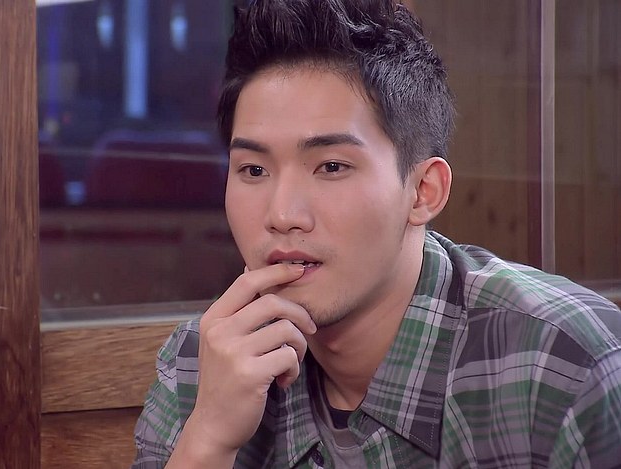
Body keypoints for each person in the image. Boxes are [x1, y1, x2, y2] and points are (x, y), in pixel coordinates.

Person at [131, 0, 621, 467]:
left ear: (423, 191)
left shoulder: (568, 367)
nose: (281, 215)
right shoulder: (203, 364)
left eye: (331, 166)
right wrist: (208, 440)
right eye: (253, 170)